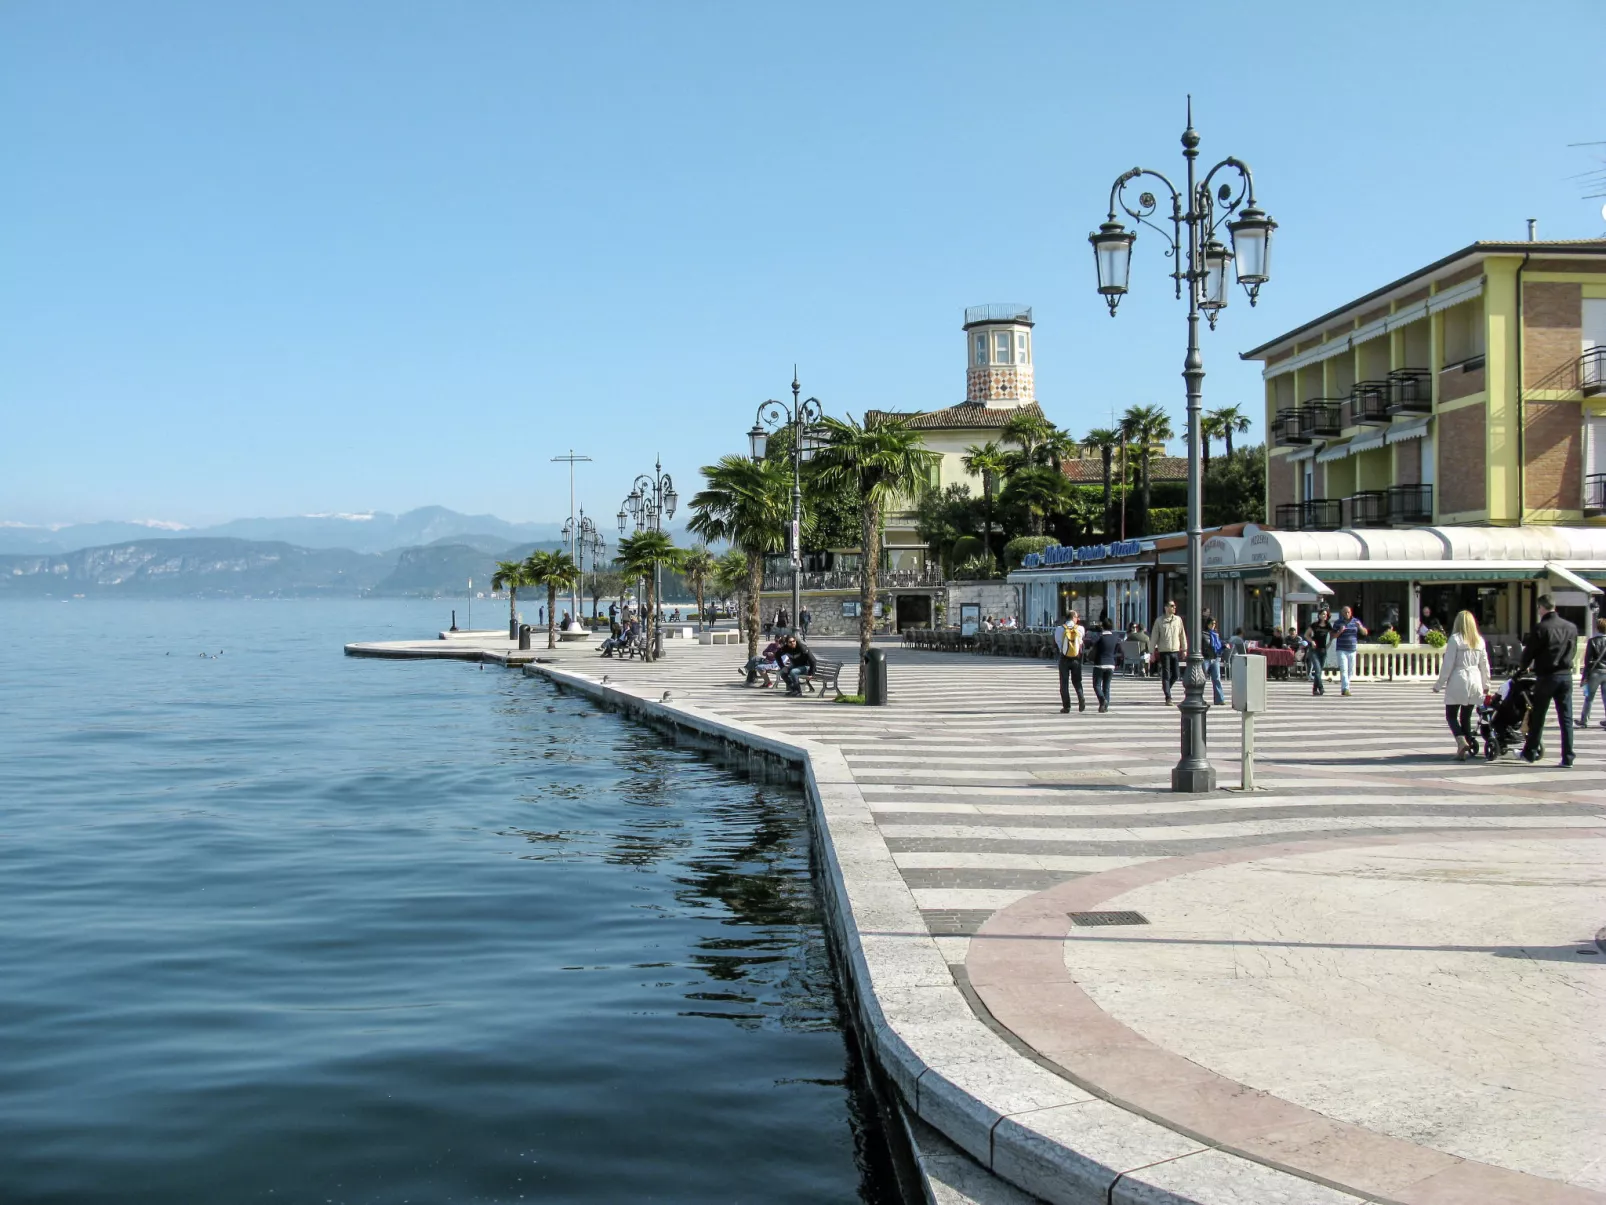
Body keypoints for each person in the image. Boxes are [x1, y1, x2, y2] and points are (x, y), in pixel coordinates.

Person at [1519, 594, 1578, 766]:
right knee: (1566, 717)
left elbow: (1529, 652)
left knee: (1538, 716)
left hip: (1547, 676)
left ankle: (1530, 752)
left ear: (1541, 607)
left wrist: (1523, 667)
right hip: (1565, 675)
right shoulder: (1571, 627)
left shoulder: (1541, 627)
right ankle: (1568, 757)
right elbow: (1573, 650)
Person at [1433, 610, 1492, 760]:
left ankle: (1461, 741)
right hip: (1475, 679)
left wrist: (1439, 684)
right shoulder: (1479, 640)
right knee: (1466, 716)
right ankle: (1466, 745)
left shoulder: (1455, 639)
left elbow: (1448, 664)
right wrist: (1486, 683)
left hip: (1459, 678)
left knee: (1451, 715)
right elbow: (1485, 665)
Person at [1150, 600, 1187, 704]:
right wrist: (1152, 652)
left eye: (1175, 606)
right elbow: (1154, 637)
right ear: (1166, 608)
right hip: (1164, 651)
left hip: (1175, 650)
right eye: (1172, 606)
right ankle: (1168, 697)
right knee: (1166, 674)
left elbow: (1182, 635)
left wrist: (1184, 649)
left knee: (1176, 674)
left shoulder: (1178, 620)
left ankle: (1167, 688)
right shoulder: (1159, 621)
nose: (1174, 607)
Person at [1331, 605, 1367, 696]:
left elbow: (1365, 633)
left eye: (1348, 612)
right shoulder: (1338, 623)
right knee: (1344, 669)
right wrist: (1340, 631)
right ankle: (1345, 688)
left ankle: (1346, 686)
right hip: (1341, 649)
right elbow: (1332, 636)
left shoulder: (1355, 621)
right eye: (1345, 612)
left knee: (1350, 670)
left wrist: (1360, 627)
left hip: (1352, 649)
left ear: (1351, 612)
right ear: (1342, 613)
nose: (1347, 614)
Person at [1054, 610, 1086, 713]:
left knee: (1064, 682)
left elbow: (1058, 642)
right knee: (1077, 681)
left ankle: (1066, 706)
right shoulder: (1080, 629)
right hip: (1076, 658)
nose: (1078, 619)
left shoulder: (1059, 629)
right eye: (1077, 617)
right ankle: (1081, 698)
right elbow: (1081, 641)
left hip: (1064, 657)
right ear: (1073, 618)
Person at [1088, 616, 1120, 712]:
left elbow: (1091, 642)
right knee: (1106, 686)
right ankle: (1105, 707)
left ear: (1103, 626)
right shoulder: (1115, 638)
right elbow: (1117, 650)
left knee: (1096, 685)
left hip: (1100, 663)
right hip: (1111, 663)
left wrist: (1099, 632)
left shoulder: (1100, 637)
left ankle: (1102, 700)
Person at [1582, 616, 1606, 729]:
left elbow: (1587, 661)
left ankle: (1584, 720)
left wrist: (1584, 677)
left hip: (1595, 672)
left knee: (1589, 697)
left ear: (1597, 628)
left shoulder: (1592, 641)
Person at [1303, 610, 1331, 696]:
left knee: (1319, 671)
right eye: (1323, 614)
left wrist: (1329, 643)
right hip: (1314, 649)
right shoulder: (1314, 625)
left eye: (1326, 614)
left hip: (1323, 650)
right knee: (1318, 669)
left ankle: (1314, 689)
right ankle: (1321, 688)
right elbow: (1306, 635)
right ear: (1319, 615)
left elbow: (1332, 635)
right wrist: (1312, 641)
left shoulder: (1328, 625)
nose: (1324, 616)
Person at [1200, 617, 1226, 705]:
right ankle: (1199, 698)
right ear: (1207, 624)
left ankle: (1220, 699)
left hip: (1215, 658)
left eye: (1214, 623)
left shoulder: (1216, 635)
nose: (1213, 625)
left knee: (1217, 679)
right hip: (1206, 659)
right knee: (1202, 679)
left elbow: (1217, 648)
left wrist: (1223, 647)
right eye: (1211, 623)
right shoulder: (1203, 634)